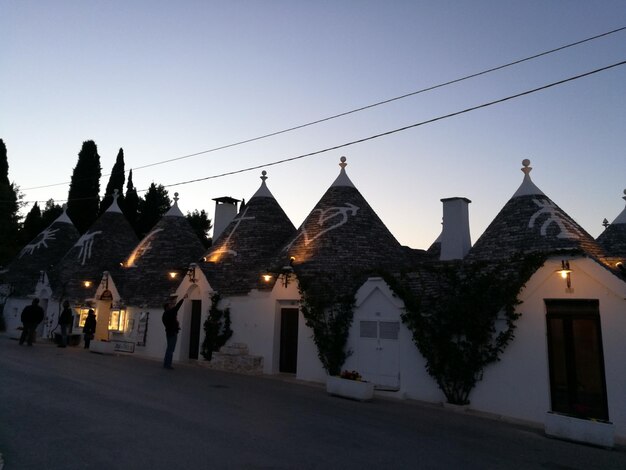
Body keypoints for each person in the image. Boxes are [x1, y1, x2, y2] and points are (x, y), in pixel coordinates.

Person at [162, 296, 185, 369]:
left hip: (168, 332)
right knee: (171, 349)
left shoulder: (164, 315)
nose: (171, 306)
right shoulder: (170, 313)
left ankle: (166, 363)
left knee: (168, 348)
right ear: (167, 307)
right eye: (170, 305)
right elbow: (177, 307)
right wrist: (183, 298)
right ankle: (168, 365)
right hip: (172, 333)